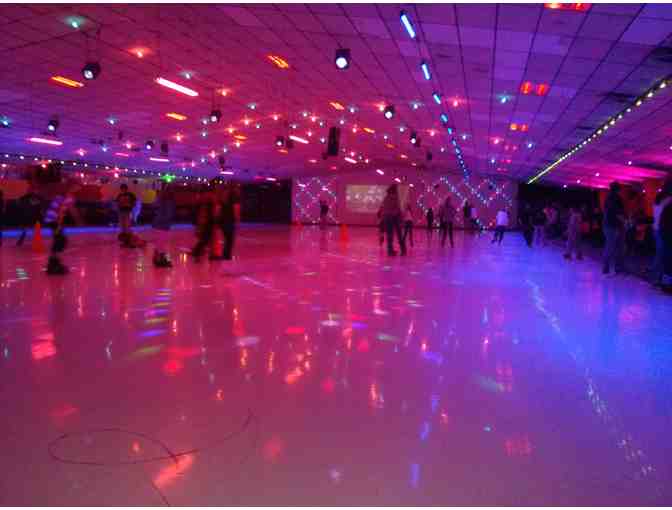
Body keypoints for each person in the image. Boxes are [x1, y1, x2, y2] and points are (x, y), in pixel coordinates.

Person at [44, 183, 80, 275]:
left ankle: (54, 262)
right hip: (53, 220)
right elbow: (60, 210)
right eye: (76, 186)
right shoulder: (65, 197)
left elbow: (66, 210)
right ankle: (53, 262)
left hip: (53, 220)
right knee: (60, 240)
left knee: (60, 240)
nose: (78, 189)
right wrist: (59, 224)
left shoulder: (67, 197)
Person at [602, 181, 626, 275]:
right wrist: (625, 222)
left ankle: (607, 267)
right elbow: (617, 213)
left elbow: (607, 212)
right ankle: (616, 267)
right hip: (614, 226)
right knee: (616, 247)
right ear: (618, 189)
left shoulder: (608, 198)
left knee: (610, 246)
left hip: (608, 225)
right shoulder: (615, 198)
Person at [652, 182, 672, 285]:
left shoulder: (658, 198)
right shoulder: (668, 200)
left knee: (661, 254)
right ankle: (657, 278)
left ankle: (658, 277)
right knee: (662, 254)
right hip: (662, 229)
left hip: (657, 229)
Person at [379, 184, 405, 256]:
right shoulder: (395, 197)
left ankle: (390, 251)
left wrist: (383, 217)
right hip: (394, 217)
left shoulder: (386, 198)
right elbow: (398, 208)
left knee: (389, 235)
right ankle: (402, 250)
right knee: (399, 234)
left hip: (387, 218)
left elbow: (383, 209)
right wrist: (400, 217)